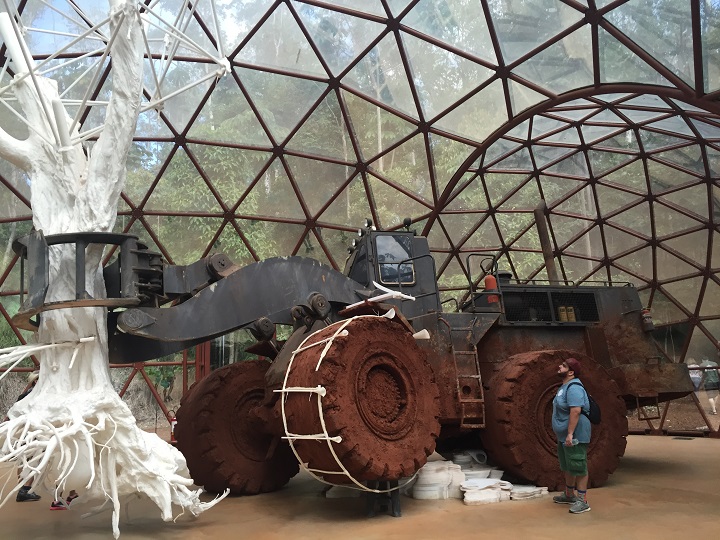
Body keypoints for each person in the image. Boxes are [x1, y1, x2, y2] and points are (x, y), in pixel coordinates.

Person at [551, 357, 591, 514]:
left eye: (563, 366)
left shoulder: (574, 388)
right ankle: (569, 494)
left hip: (576, 434)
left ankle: (583, 501)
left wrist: (569, 433)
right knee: (568, 464)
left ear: (571, 372)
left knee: (578, 465)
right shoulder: (564, 386)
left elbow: (576, 411)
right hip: (564, 435)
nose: (559, 366)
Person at [14, 371, 41, 502]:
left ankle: (21, 489)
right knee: (33, 460)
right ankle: (26, 489)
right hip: (32, 431)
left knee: (22, 460)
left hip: (22, 432)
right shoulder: (36, 397)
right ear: (36, 381)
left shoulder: (23, 396)